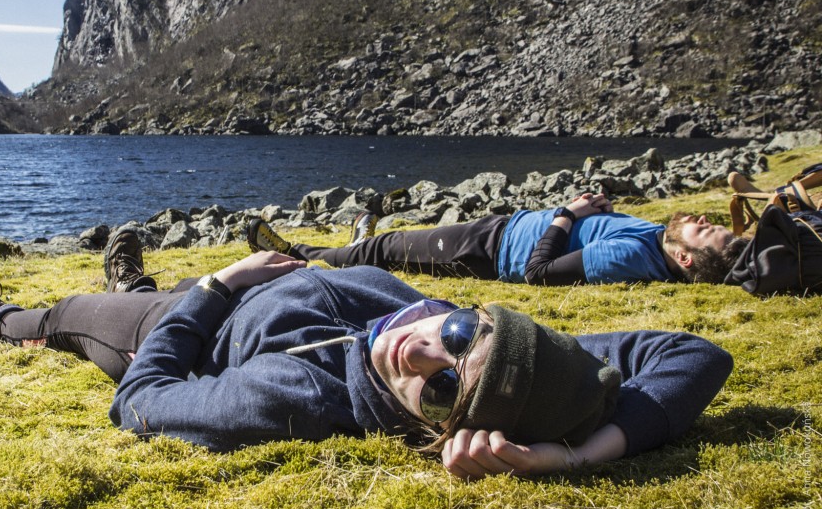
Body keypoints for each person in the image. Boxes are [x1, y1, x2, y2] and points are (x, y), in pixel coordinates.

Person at [0, 226, 732, 479]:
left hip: (195, 323)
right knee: (149, 287)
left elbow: (141, 399)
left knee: (76, 315)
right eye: (456, 341)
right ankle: (138, 275)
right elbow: (692, 355)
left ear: (437, 431)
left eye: (443, 395)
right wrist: (597, 440)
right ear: (484, 320)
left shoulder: (296, 399)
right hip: (273, 281)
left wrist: (215, 285)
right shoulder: (521, 359)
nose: (420, 358)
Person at [247, 192, 749, 285]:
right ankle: (353, 240)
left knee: (384, 252)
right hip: (498, 230)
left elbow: (539, 273)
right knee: (390, 246)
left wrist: (565, 215)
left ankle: (299, 253)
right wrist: (601, 210)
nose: (704, 220)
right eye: (708, 222)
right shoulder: (654, 237)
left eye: (706, 233)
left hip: (489, 249)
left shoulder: (631, 257)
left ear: (684, 259)